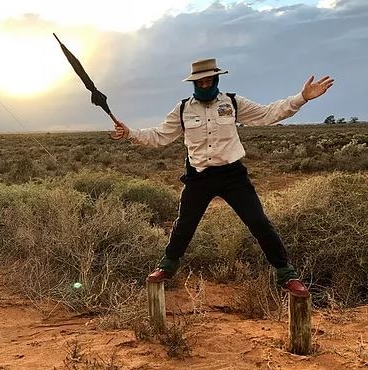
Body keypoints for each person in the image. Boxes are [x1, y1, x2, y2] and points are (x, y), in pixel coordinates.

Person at [111, 58, 334, 298]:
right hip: (198, 176)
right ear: (194, 83)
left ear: (216, 79)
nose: (205, 84)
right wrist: (129, 133)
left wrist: (301, 98)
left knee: (258, 222)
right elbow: (159, 136)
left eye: (209, 79)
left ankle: (285, 273)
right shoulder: (183, 108)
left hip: (232, 176)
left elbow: (268, 114)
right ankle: (167, 266)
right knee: (184, 224)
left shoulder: (233, 102)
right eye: (200, 81)